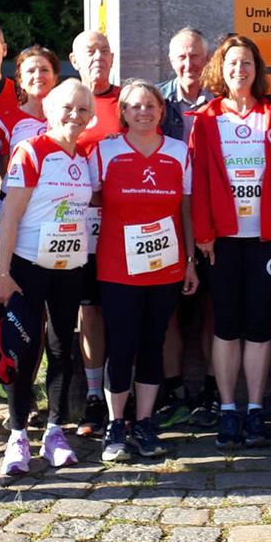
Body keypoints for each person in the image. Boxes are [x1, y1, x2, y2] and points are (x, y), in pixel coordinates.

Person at [190, 34, 271, 449]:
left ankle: (254, 408)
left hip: (263, 239)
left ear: (257, 70)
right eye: (233, 63)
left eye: (247, 63)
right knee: (225, 323)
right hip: (221, 240)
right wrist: (203, 233)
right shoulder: (206, 119)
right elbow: (199, 180)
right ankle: (228, 409)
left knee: (257, 324)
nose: (240, 69)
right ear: (222, 69)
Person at [90, 81, 199, 461]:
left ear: (161, 111)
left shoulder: (179, 152)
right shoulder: (106, 151)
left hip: (165, 267)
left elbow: (186, 210)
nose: (143, 112)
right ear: (123, 112)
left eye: (150, 105)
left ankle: (145, 422)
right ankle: (115, 425)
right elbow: (90, 199)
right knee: (121, 345)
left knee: (153, 344)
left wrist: (190, 262)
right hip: (117, 268)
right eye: (135, 106)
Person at [0, 80, 97, 475]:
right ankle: (18, 434)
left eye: (83, 109)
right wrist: (3, 274)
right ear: (50, 111)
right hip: (28, 267)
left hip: (69, 268)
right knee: (24, 351)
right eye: (68, 108)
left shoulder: (83, 156)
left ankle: (55, 430)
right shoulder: (31, 150)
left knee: (61, 348)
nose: (75, 115)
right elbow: (10, 217)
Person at [156, 27, 215, 429]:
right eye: (181, 56)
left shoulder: (222, 101)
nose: (189, 63)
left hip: (215, 216)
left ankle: (211, 389)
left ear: (206, 59)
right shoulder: (156, 102)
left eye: (195, 56)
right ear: (170, 60)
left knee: (213, 306)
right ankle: (174, 389)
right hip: (168, 216)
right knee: (169, 309)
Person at [69, 29, 123, 436]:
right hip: (77, 224)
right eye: (89, 51)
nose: (98, 57)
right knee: (89, 311)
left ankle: (122, 390)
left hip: (123, 223)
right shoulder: (66, 101)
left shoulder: (127, 102)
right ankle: (92, 395)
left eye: (104, 50)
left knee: (122, 308)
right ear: (74, 60)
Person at [0, 44, 60, 163]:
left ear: (55, 78)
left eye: (44, 70)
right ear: (20, 81)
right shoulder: (5, 122)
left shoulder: (69, 118)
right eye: (30, 71)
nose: (38, 76)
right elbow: (3, 169)